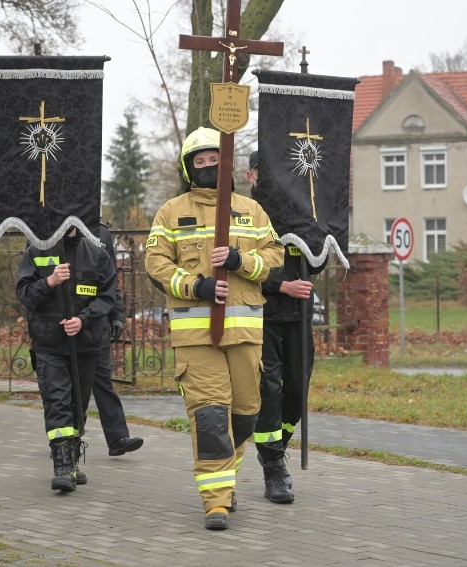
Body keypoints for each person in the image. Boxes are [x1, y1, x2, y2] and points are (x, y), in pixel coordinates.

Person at [144, 127, 284, 530]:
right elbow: (157, 263)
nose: (209, 165)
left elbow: (274, 257)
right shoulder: (171, 212)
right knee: (209, 417)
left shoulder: (251, 211)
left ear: (227, 163)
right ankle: (216, 502)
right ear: (189, 169)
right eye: (200, 161)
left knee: (244, 415)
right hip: (196, 338)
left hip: (244, 335)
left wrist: (242, 262)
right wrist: (196, 286)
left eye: (214, 159)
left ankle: (227, 478)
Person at [247, 150, 326, 504]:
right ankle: (273, 468)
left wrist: (318, 244)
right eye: (262, 173)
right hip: (262, 313)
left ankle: (276, 447)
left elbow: (317, 265)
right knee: (271, 390)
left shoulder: (300, 209)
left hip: (298, 315)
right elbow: (240, 267)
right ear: (251, 177)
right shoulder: (244, 214)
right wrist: (280, 285)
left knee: (298, 388)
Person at [16, 227, 117, 492]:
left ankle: (71, 462)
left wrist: (83, 319)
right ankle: (61, 467)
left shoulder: (97, 253)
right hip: (48, 343)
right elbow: (25, 295)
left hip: (86, 344)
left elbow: (107, 297)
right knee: (57, 401)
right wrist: (49, 282)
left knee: (77, 406)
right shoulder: (37, 250)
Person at [95, 221, 144, 457]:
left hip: (97, 321)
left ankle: (117, 438)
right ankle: (66, 438)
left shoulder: (101, 232)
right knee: (72, 386)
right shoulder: (52, 229)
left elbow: (111, 279)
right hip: (66, 323)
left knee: (102, 380)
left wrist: (117, 315)